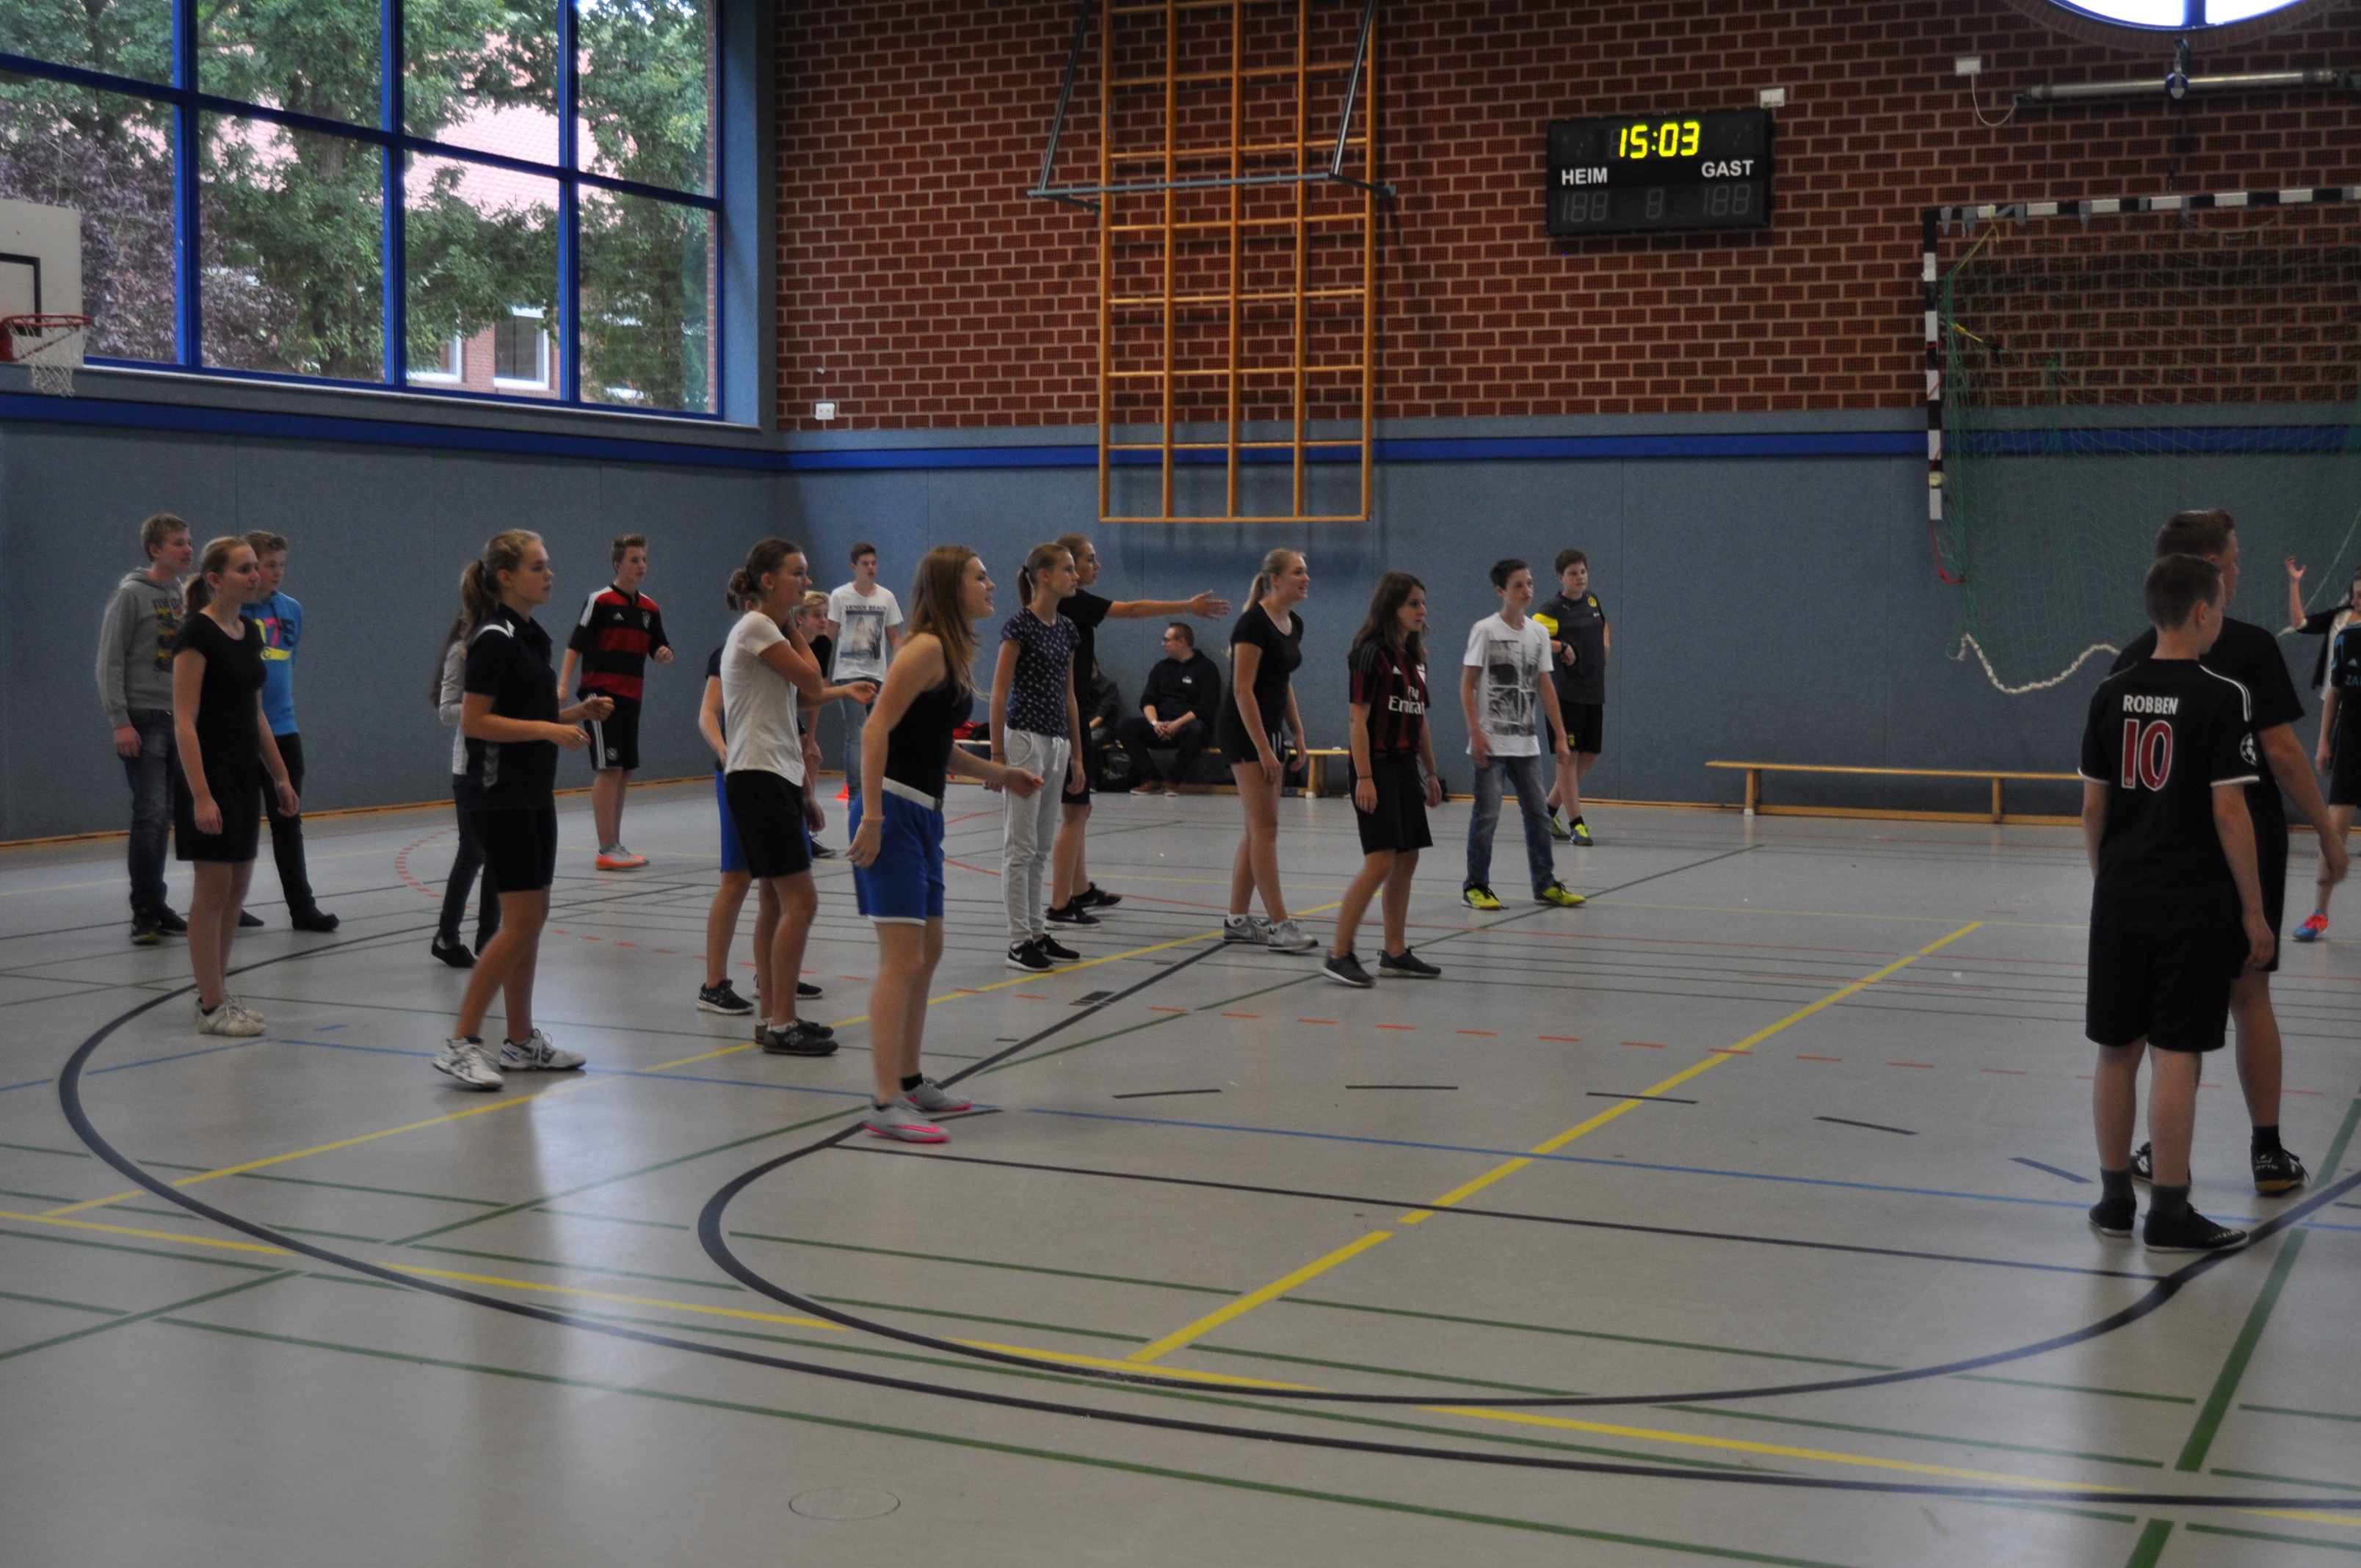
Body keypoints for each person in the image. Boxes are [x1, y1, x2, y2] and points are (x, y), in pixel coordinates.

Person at [2109, 509, 2347, 1194]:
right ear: (2209, 568)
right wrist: (2329, 833)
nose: (2241, 570)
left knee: (2168, 1012)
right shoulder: (2248, 647)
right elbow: (2283, 754)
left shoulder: (2133, 657)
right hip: (2243, 844)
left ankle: (2161, 1155)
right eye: (2235, 559)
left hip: (2164, 857)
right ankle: (2267, 1152)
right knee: (2249, 993)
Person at [2079, 553, 2268, 1254]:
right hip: (2190, 903)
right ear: (2201, 612)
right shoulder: (2222, 696)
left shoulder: (2111, 691)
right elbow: (2230, 813)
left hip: (2121, 898)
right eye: (2219, 608)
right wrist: (2253, 910)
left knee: (2115, 1050)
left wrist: (2108, 879)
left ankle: (2113, 1201)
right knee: (2177, 1054)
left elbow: (2093, 806)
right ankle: (2169, 1212)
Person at [849, 545, 1045, 1142]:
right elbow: (875, 730)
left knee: (927, 951)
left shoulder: (951, 652)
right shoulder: (925, 648)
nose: (991, 586)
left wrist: (1000, 773)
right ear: (950, 587)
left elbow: (936, 746)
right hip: (893, 810)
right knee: (901, 960)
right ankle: (885, 1101)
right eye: (980, 578)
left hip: (924, 813)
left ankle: (910, 1082)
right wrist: (873, 816)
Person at [432, 531, 612, 1091]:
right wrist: (548, 730)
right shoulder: (491, 637)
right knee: (521, 923)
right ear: (506, 577)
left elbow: (527, 710)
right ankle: (461, 1043)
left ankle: (520, 1040)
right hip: (498, 794)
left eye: (548, 564)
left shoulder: (530, 636)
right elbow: (475, 720)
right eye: (538, 566)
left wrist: (575, 713)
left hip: (534, 792)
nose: (549, 574)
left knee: (532, 919)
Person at [1042, 533, 1229, 926]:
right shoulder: (1070, 602)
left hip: (1072, 714)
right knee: (1073, 812)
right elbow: (1132, 609)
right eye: (1089, 560)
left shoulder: (1071, 605)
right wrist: (1186, 606)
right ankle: (1060, 904)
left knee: (1079, 809)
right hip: (1063, 719)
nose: (1096, 566)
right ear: (1066, 567)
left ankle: (1079, 889)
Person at [172, 536, 301, 1036]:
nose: (256, 576)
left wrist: (280, 776)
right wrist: (201, 794)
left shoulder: (248, 632)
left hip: (246, 774)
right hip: (210, 774)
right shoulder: (196, 635)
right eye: (244, 569)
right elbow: (184, 721)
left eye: (256, 568)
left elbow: (257, 713)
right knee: (212, 891)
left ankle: (218, 992)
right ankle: (211, 1005)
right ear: (215, 579)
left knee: (237, 890)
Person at [720, 539, 838, 1057]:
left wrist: (804, 791)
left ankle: (773, 1015)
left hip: (776, 775)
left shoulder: (770, 628)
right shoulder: (758, 627)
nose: (806, 582)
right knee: (802, 901)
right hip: (757, 776)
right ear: (768, 581)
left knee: (773, 900)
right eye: (797, 573)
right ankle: (784, 1022)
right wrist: (793, 624)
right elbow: (813, 680)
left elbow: (807, 697)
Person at [1325, 573, 1447, 987]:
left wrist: (1431, 772)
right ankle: (1339, 953)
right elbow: (1357, 719)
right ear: (1391, 607)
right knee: (1380, 861)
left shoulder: (1415, 657)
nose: (1422, 610)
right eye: (1413, 603)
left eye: (1423, 602)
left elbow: (1420, 720)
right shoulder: (1370, 653)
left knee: (1408, 858)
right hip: (1375, 766)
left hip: (1405, 766)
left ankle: (1395, 952)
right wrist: (1364, 776)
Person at [1460, 559, 1585, 911]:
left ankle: (1545, 884)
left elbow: (1544, 684)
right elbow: (1467, 684)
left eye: (1529, 583)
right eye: (1518, 585)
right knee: (1487, 815)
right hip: (1491, 743)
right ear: (1501, 591)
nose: (1527, 591)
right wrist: (1475, 733)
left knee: (1538, 815)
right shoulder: (1485, 630)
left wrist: (1560, 734)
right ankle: (1476, 885)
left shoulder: (1539, 634)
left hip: (1526, 744)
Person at [98, 512, 195, 945]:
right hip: (144, 717)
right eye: (178, 543)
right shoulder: (131, 595)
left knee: (166, 815)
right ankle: (143, 910)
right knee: (150, 813)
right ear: (155, 550)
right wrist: (120, 720)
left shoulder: (183, 595)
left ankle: (158, 903)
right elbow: (109, 660)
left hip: (177, 717)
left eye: (189, 542)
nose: (187, 549)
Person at [992, 542, 1089, 972]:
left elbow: (1070, 696)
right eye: (1067, 569)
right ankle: (1018, 942)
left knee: (1041, 847)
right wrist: (998, 756)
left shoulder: (1067, 629)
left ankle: (1036, 932)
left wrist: (1077, 756)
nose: (1075, 575)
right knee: (1021, 845)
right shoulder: (1019, 625)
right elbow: (998, 693)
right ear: (1044, 576)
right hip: (1024, 742)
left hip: (1057, 743)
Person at [1217, 548, 1319, 954]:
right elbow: (1243, 690)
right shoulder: (1252, 624)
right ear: (1275, 579)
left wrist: (1298, 732)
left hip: (1270, 730)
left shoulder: (1293, 623)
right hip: (1244, 731)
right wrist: (1262, 748)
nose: (1306, 578)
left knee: (1257, 828)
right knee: (1266, 828)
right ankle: (1279, 924)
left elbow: (1282, 681)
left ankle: (1237, 920)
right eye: (1298, 572)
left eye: (1306, 572)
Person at [558, 533, 672, 871]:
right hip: (600, 695)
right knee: (609, 768)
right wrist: (563, 685)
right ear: (618, 565)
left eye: (644, 560)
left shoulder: (650, 608)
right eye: (634, 560)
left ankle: (616, 845)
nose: (641, 565)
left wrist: (663, 653)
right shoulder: (600, 601)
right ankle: (606, 848)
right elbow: (576, 644)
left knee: (624, 770)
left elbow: (658, 646)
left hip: (632, 695)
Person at [241, 531, 337, 931]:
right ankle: (229, 902)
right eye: (269, 565)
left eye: (281, 565)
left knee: (288, 819)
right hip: (239, 732)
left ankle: (302, 907)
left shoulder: (291, 609)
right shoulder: (231, 612)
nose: (277, 572)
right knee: (239, 822)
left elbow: (286, 665)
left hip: (282, 728)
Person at [429, 612, 501, 968]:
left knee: (498, 854)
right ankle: (446, 937)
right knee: (473, 851)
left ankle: (490, 939)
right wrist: (485, 707)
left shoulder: (507, 643)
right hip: (470, 767)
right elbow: (447, 711)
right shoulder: (463, 650)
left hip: (502, 764)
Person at [1533, 548, 1608, 846]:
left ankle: (1547, 812)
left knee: (1590, 754)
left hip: (1593, 690)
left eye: (1583, 572)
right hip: (1566, 693)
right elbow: (1531, 637)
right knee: (1568, 756)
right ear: (1560, 577)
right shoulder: (1552, 609)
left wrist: (1604, 648)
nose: (1580, 578)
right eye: (1573, 573)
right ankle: (1577, 824)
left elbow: (1602, 625)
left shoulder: (1592, 601)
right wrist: (1562, 647)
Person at [2298, 589, 2361, 942]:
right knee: (2333, 831)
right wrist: (2324, 741)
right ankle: (2319, 914)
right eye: (2357, 596)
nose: (2358, 603)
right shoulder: (2347, 638)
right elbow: (2335, 691)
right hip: (2351, 745)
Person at [825, 542, 904, 802]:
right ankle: (857, 794)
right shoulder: (840, 596)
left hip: (878, 674)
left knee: (880, 732)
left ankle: (878, 789)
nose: (871, 568)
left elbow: (894, 638)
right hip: (849, 673)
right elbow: (830, 636)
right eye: (865, 564)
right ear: (854, 567)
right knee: (857, 733)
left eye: (874, 563)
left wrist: (900, 672)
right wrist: (824, 673)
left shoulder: (886, 597)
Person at [1119, 623, 1220, 795]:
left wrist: (1176, 725)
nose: (1163, 644)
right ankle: (1152, 778)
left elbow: (1205, 707)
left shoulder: (1206, 668)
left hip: (1188, 727)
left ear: (1181, 642)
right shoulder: (1161, 668)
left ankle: (1173, 779)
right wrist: (1155, 724)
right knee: (1125, 726)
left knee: (1197, 730)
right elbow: (1147, 701)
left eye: (1167, 640)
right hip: (1161, 728)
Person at [795, 591, 843, 857]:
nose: (824, 620)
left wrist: (811, 739)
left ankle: (805, 829)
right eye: (817, 615)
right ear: (800, 619)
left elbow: (817, 694)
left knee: (811, 757)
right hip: (774, 707)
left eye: (826, 614)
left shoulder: (823, 644)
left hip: (795, 705)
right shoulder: (787, 644)